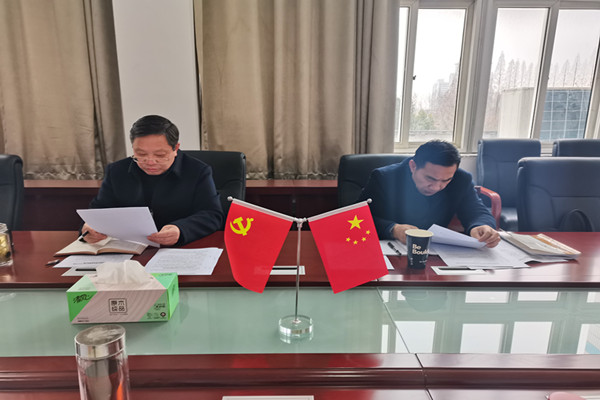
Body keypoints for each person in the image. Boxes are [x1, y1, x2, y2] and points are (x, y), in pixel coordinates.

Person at [82, 115, 224, 246]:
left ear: (176, 148)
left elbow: (212, 214)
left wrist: (180, 230)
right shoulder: (116, 171)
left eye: (160, 155)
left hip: (180, 248)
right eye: (141, 154)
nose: (150, 162)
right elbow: (98, 211)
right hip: (127, 249)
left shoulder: (197, 171)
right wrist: (89, 228)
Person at [359, 140, 500, 247]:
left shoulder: (461, 179)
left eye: (446, 180)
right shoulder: (384, 178)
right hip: (390, 248)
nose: (437, 187)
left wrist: (481, 226)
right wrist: (393, 229)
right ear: (413, 166)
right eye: (430, 178)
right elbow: (359, 218)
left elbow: (477, 212)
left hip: (435, 250)